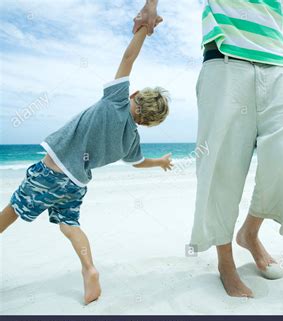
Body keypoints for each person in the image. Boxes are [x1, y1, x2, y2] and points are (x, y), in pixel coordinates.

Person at [135, 0, 283, 298]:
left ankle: (250, 232)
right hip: (226, 57)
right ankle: (225, 261)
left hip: (278, 64)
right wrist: (150, 6)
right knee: (220, 164)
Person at [0, 17, 173, 304]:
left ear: (134, 94)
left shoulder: (116, 99)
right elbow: (137, 161)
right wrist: (159, 162)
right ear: (149, 124)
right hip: (76, 184)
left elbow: (129, 56)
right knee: (69, 224)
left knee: (11, 212)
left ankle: (90, 269)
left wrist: (145, 28)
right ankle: (89, 268)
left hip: (50, 173)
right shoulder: (132, 138)